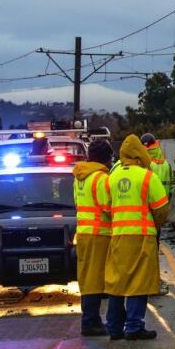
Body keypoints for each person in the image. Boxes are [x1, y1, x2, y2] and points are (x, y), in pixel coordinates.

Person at [104, 134, 170, 340]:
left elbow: (106, 208)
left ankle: (114, 327)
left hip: (118, 236)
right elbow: (161, 208)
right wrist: (153, 225)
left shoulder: (112, 177)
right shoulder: (147, 176)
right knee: (139, 282)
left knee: (117, 281)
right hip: (142, 236)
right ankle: (134, 326)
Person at [73, 139, 116, 337]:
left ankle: (91, 320)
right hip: (99, 234)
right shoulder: (101, 179)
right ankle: (90, 322)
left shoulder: (80, 177)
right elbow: (107, 207)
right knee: (96, 279)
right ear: (107, 158)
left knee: (87, 277)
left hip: (84, 232)